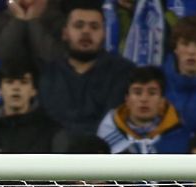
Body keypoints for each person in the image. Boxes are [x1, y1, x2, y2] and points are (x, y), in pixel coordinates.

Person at [38, 0, 135, 135]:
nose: (86, 31)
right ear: (65, 33)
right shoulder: (47, 74)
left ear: (104, 33)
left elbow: (114, 126)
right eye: (79, 26)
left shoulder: (124, 73)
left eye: (94, 27)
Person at [0, 60, 63, 153]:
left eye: (23, 82)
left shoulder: (51, 131)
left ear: (34, 91)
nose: (16, 88)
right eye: (9, 82)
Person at [98, 65, 190, 154]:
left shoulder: (179, 134)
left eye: (152, 93)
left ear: (162, 101)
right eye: (137, 92)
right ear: (127, 99)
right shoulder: (108, 132)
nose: (144, 99)